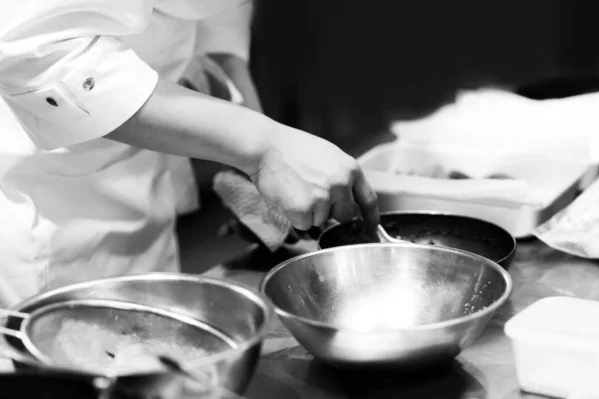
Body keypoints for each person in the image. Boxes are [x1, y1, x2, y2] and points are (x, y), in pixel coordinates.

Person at [0, 0, 380, 308]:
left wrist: (241, 105)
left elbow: (220, 10)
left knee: (149, 352)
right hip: (45, 196)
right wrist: (261, 146)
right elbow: (36, 50)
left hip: (146, 176)